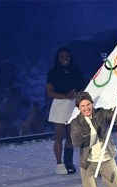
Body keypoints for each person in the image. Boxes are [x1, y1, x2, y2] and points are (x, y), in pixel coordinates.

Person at [46, 47, 86, 175]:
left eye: (67, 56)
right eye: (62, 57)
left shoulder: (76, 71)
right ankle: (59, 163)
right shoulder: (53, 73)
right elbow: (49, 91)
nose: (65, 59)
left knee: (70, 135)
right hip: (59, 104)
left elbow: (82, 86)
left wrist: (76, 95)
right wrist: (65, 96)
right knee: (59, 136)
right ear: (58, 58)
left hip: (73, 105)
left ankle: (68, 162)